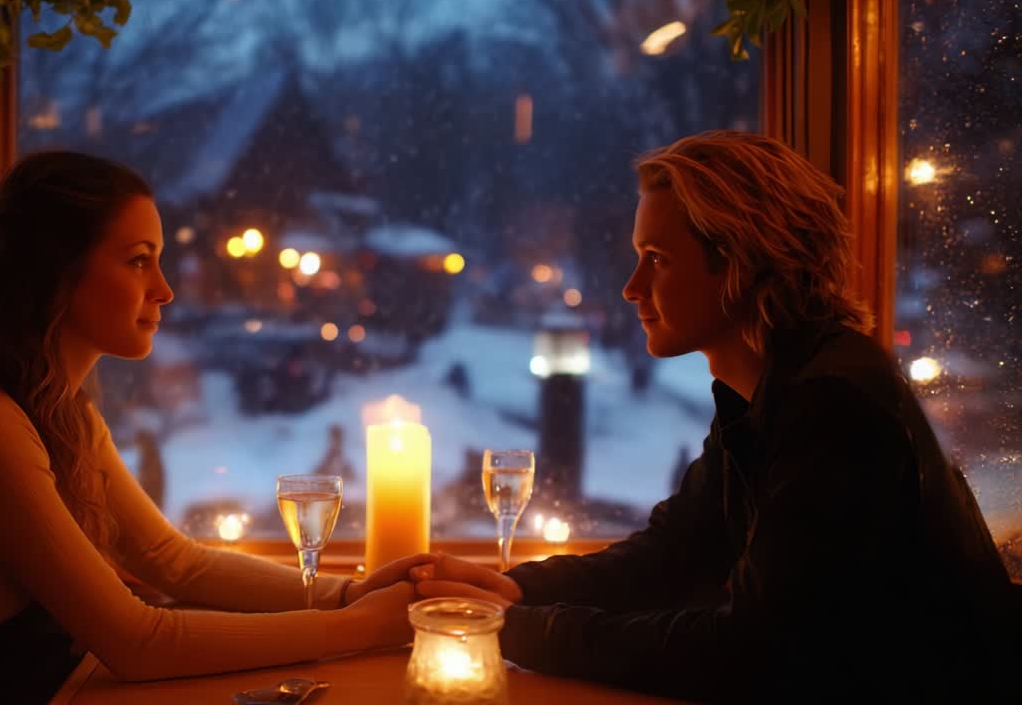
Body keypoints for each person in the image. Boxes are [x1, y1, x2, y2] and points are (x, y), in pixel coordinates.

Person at [410, 131, 1019, 702]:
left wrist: (514, 630)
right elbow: (675, 552)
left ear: (741, 263)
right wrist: (516, 590)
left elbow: (749, 652)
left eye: (657, 259)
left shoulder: (835, 406)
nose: (631, 287)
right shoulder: (769, 387)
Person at [0, 151, 427, 701]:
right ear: (54, 271)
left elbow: (175, 563)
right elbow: (138, 643)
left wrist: (350, 593)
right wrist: (364, 625)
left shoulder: (63, 417)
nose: (165, 289)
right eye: (138, 260)